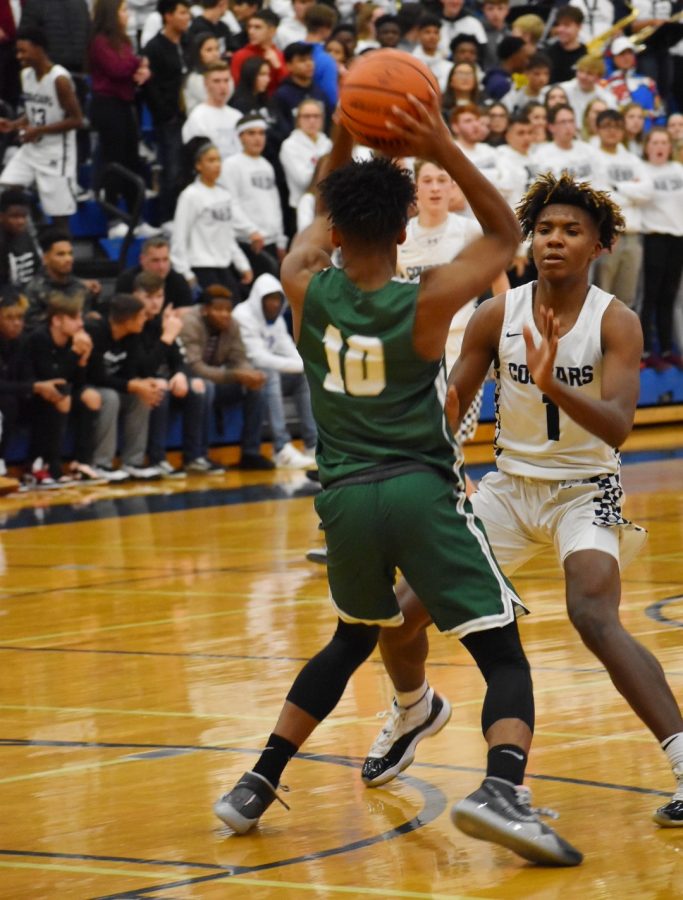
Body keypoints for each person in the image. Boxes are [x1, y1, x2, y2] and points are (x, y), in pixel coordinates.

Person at [213, 102, 583, 867]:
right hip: (419, 489)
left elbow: (316, 229)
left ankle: (257, 779)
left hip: (342, 500)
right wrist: (439, 142)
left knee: (352, 636)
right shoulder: (425, 302)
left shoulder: (304, 288)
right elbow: (505, 238)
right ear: (406, 222)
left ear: (337, 231)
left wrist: (347, 138)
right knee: (502, 655)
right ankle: (503, 791)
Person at [362, 171, 683, 830]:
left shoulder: (614, 321)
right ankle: (413, 707)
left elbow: (618, 426)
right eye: (543, 230)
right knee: (398, 617)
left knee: (591, 612)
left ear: (598, 245)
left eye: (570, 231)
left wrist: (549, 383)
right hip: (507, 490)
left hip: (583, 488)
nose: (553, 240)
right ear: (528, 241)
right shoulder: (495, 313)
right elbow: (452, 405)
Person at [180, 284, 275, 470]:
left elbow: (239, 358)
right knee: (204, 386)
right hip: (186, 381)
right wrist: (234, 375)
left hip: (217, 380)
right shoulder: (190, 322)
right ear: (206, 310)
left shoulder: (232, 324)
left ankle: (250, 452)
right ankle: (197, 455)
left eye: (228, 310)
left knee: (256, 387)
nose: (225, 314)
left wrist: (249, 374)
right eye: (219, 309)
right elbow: (194, 367)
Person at [0, 27, 83, 232]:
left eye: (23, 51)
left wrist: (38, 131)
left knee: (59, 218)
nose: (19, 56)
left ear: (39, 49)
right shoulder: (26, 75)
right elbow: (36, 111)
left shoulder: (59, 79)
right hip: (32, 150)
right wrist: (14, 124)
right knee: (7, 190)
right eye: (17, 52)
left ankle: (63, 256)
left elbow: (77, 120)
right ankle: (25, 236)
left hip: (57, 154)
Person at [232, 273, 316, 468]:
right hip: (241, 376)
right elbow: (257, 357)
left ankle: (312, 444)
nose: (275, 304)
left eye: (278, 299)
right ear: (258, 299)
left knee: (302, 376)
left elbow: (290, 350)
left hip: (267, 375)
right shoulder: (242, 315)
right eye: (270, 299)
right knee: (269, 373)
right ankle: (281, 448)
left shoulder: (276, 320)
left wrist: (306, 366)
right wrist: (301, 365)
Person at [88, 0, 156, 241]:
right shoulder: (99, 41)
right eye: (123, 10)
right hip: (107, 106)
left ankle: (135, 218)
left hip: (125, 103)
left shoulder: (124, 41)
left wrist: (139, 71)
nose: (128, 15)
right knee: (114, 159)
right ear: (111, 13)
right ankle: (113, 218)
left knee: (131, 160)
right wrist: (139, 64)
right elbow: (117, 69)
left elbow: (127, 69)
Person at [133, 271, 210, 476]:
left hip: (159, 379)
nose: (154, 302)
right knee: (160, 389)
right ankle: (157, 458)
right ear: (135, 296)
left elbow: (178, 358)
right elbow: (144, 368)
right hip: (135, 380)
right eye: (148, 297)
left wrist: (180, 374)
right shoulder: (132, 323)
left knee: (198, 387)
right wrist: (167, 336)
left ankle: (194, 457)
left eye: (158, 296)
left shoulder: (161, 321)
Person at [21, 292, 101, 486]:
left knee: (91, 396)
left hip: (60, 392)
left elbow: (79, 383)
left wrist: (82, 360)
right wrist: (75, 353)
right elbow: (52, 378)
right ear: (57, 320)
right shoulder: (39, 338)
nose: (81, 323)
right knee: (62, 396)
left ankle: (81, 462)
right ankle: (50, 465)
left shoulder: (74, 339)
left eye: (81, 317)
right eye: (74, 318)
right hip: (33, 394)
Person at [86, 293, 164, 482]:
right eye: (142, 315)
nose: (145, 319)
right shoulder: (95, 332)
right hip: (87, 386)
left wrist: (143, 385)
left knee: (140, 396)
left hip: (112, 384)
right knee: (111, 397)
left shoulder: (132, 336)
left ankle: (133, 462)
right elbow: (95, 376)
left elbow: (129, 372)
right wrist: (133, 385)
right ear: (128, 319)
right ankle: (101, 463)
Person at [171, 138, 254, 297]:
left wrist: (242, 264)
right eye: (211, 160)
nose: (217, 165)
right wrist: (186, 273)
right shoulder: (190, 195)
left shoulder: (224, 194)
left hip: (224, 266)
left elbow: (228, 236)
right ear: (198, 165)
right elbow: (179, 237)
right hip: (201, 267)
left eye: (218, 160)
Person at [593, 109, 653, 311]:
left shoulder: (632, 159)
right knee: (600, 296)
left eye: (617, 127)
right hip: (607, 235)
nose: (612, 131)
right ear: (597, 128)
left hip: (634, 235)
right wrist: (632, 192)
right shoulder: (592, 157)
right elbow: (601, 195)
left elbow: (647, 192)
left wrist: (618, 187)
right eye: (607, 126)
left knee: (627, 299)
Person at [143, 0, 192, 226]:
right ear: (168, 16)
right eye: (182, 12)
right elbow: (149, 86)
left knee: (189, 168)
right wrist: (164, 113)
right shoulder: (154, 47)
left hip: (192, 115)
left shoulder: (188, 42)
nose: (187, 17)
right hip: (170, 118)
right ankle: (167, 219)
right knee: (171, 170)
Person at [221, 114, 287, 276]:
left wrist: (280, 240)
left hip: (270, 240)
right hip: (249, 242)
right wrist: (251, 231)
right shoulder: (231, 165)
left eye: (261, 133)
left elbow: (274, 205)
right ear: (240, 137)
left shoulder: (266, 166)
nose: (257, 138)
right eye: (251, 133)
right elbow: (230, 203)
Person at [640, 127, 683, 371]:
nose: (659, 146)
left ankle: (667, 349)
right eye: (655, 142)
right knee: (650, 295)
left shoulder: (678, 170)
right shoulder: (642, 170)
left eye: (664, 142)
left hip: (677, 239)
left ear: (670, 146)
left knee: (669, 295)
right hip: (653, 236)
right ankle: (646, 350)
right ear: (647, 146)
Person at [23, 227, 101, 332]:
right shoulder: (34, 290)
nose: (68, 259)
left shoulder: (80, 287)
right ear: (45, 258)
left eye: (70, 254)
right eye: (61, 254)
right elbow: (31, 326)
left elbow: (86, 314)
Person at [182, 61, 242, 159]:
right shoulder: (198, 117)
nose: (223, 86)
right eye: (216, 81)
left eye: (226, 80)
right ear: (206, 84)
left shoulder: (237, 116)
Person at [115, 236, 193, 309]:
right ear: (142, 259)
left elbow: (185, 312)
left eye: (165, 260)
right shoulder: (127, 280)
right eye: (155, 260)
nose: (161, 267)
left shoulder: (178, 281)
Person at [272, 41, 330, 139]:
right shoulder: (281, 96)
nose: (309, 64)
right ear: (289, 66)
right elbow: (281, 130)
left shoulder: (320, 93)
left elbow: (328, 125)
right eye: (302, 60)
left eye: (310, 59)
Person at [231, 9, 285, 95]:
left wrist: (278, 67)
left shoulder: (279, 56)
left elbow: (287, 87)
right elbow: (237, 87)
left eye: (257, 27)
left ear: (272, 31)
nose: (251, 32)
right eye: (249, 27)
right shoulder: (240, 56)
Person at [0, 189, 41, 288]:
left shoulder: (26, 236)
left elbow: (37, 268)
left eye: (24, 216)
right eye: (14, 217)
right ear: (1, 216)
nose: (21, 221)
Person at [183, 32, 222, 116]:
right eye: (209, 50)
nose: (215, 54)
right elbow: (216, 101)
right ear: (198, 53)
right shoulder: (195, 78)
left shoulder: (222, 73)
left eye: (217, 49)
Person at [545, 6, 586, 84]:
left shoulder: (586, 56)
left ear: (579, 27)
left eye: (566, 25)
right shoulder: (547, 54)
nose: (560, 29)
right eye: (558, 25)